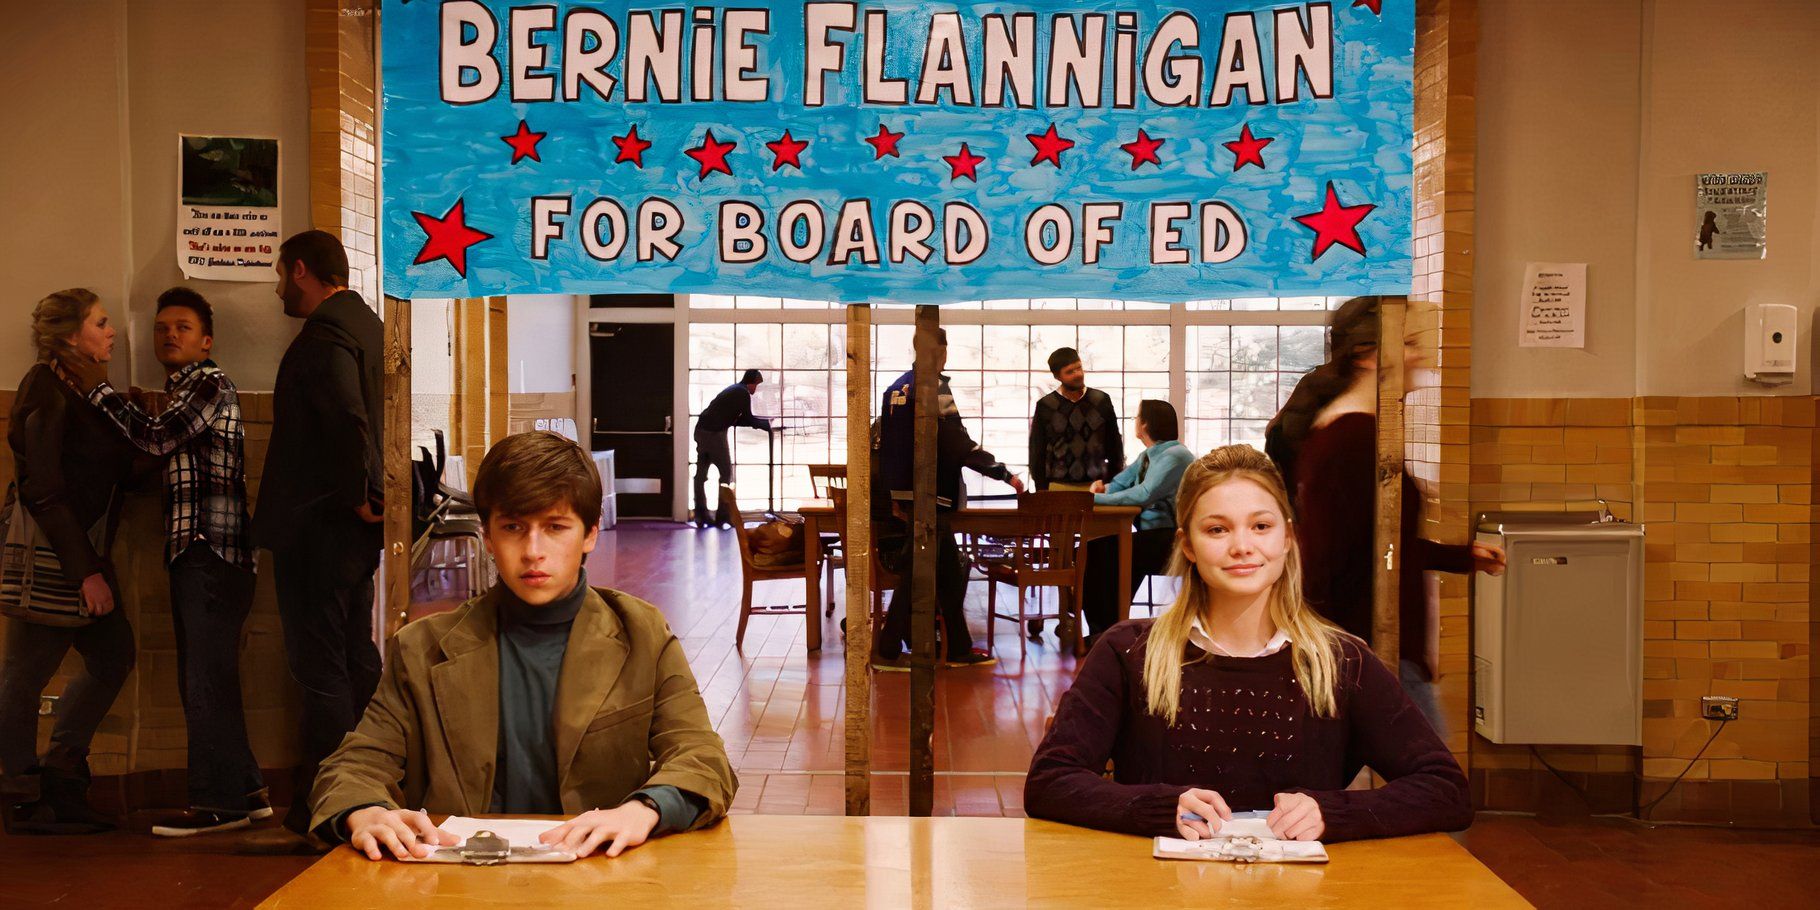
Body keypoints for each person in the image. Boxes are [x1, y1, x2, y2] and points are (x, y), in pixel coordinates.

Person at [310, 431, 736, 861]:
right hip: (461, 884)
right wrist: (364, 811)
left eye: (555, 527)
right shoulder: (421, 648)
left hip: (598, 877)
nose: (533, 551)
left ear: (590, 533)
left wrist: (643, 809)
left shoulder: (641, 633)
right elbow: (354, 765)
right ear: (488, 538)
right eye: (514, 527)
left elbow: (701, 755)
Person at [1025, 445, 1473, 843]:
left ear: (1288, 539)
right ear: (1189, 546)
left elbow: (1445, 789)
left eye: (1260, 526)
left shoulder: (1341, 660)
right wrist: (1158, 809)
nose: (1242, 546)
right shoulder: (1127, 652)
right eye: (1217, 530)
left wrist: (1330, 813)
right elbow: (1050, 781)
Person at [71, 287, 267, 836]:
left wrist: (100, 392)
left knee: (202, 681)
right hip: (204, 553)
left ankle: (217, 804)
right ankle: (246, 791)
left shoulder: (208, 382)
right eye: (161, 327)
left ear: (206, 342)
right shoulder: (183, 391)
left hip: (211, 551)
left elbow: (157, 441)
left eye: (182, 327)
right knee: (211, 678)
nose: (169, 334)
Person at [1265, 297, 1506, 738]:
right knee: (1429, 791)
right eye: (1410, 343)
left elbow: (1379, 541)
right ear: (1369, 355)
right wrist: (1319, 656)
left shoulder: (1360, 432)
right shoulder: (1348, 439)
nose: (1422, 356)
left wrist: (1463, 557)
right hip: (1369, 651)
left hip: (1374, 650)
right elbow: (1328, 557)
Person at [252, 230, 385, 842]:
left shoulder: (326, 333)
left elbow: (345, 413)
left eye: (282, 274)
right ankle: (372, 790)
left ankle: (330, 808)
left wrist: (360, 493)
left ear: (300, 270)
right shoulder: (370, 326)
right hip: (348, 536)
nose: (280, 287)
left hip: (318, 528)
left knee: (321, 668)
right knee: (355, 657)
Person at [1, 289, 136, 834]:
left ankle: (58, 773)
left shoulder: (84, 389)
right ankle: (22, 793)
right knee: (23, 676)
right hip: (57, 557)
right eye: (101, 323)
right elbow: (45, 489)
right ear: (69, 335)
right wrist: (87, 573)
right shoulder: (45, 386)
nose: (112, 332)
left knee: (112, 656)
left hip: (85, 551)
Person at [874, 329, 1023, 669]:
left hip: (906, 490)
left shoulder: (896, 387)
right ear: (940, 351)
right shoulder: (934, 387)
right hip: (931, 491)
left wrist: (892, 494)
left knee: (948, 574)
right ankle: (888, 649)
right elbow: (956, 441)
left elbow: (887, 446)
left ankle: (957, 647)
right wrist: (1001, 472)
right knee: (917, 574)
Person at [1080, 400, 1192, 646]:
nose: (1135, 421)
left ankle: (1107, 630)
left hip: (1171, 537)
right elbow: (1121, 484)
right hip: (1152, 536)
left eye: (1137, 416)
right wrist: (1103, 489)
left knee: (1105, 553)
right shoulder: (1148, 455)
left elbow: (1143, 493)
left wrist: (1091, 499)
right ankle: (1102, 628)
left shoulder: (1176, 455)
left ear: (1146, 424)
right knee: (1092, 550)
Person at [1028, 347, 1123, 493]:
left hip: (1096, 486)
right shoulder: (1045, 406)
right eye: (1070, 372)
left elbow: (1114, 445)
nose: (1077, 374)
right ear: (1057, 376)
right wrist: (1041, 488)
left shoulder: (1101, 400)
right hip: (1057, 486)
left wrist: (1111, 482)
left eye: (1079, 368)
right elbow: (1037, 451)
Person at [692, 369, 770, 528]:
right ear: (752, 382)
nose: (756, 389)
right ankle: (723, 517)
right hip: (714, 434)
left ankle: (700, 515)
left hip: (701, 430)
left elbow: (736, 420)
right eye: (756, 385)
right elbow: (747, 418)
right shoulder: (742, 393)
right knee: (726, 475)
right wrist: (765, 424)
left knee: (700, 475)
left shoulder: (734, 390)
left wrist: (761, 424)